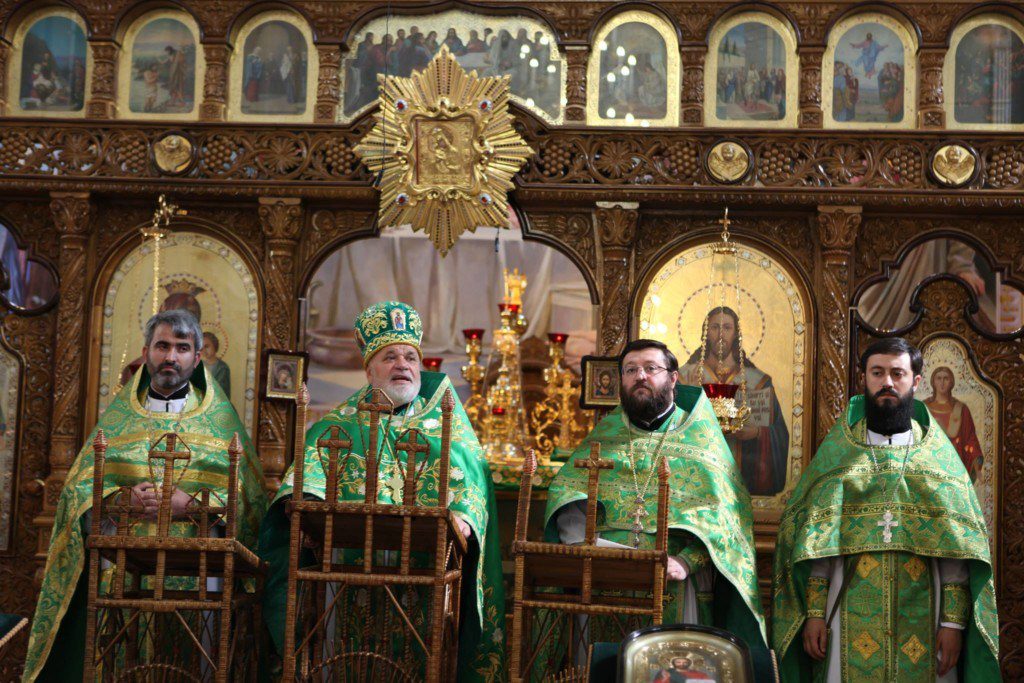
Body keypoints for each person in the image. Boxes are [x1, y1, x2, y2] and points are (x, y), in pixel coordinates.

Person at [259, 301, 505, 681]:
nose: (402, 364)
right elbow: (302, 486)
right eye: (390, 357)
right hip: (349, 577)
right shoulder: (338, 425)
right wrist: (305, 507)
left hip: (426, 577)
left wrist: (465, 518)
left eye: (410, 357)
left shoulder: (448, 425)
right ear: (369, 370)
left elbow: (472, 481)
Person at [23, 309, 266, 682]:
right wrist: (123, 501)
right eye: (162, 345)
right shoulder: (118, 421)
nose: (171, 356)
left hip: (197, 572)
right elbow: (77, 494)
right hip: (123, 570)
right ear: (146, 352)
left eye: (182, 348)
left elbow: (249, 501)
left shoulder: (222, 424)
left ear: (197, 358)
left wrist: (190, 505)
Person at [773, 337, 999, 682]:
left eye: (897, 373)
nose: (887, 382)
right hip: (845, 613)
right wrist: (815, 614)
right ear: (864, 378)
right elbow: (816, 546)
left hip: (926, 616)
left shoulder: (939, 462)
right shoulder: (839, 457)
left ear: (916, 381)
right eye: (877, 373)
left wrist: (952, 624)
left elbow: (957, 552)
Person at [545, 339, 768, 672]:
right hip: (604, 581)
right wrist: (583, 547)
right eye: (630, 370)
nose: (640, 376)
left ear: (673, 378)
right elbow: (568, 496)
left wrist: (687, 561)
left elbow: (727, 517)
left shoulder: (702, 440)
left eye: (651, 368)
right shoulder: (603, 437)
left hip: (673, 582)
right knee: (607, 671)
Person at [678, 307, 790, 496]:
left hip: (746, 477)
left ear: (736, 334)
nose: (721, 334)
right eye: (715, 327)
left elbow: (779, 433)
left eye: (727, 328)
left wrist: (757, 433)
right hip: (697, 479)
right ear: (705, 334)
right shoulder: (685, 377)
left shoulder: (758, 381)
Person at [924, 366, 984, 482]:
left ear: (951, 382)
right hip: (930, 465)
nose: (942, 383)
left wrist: (977, 467)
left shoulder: (961, 409)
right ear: (933, 382)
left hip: (955, 467)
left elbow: (970, 439)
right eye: (938, 378)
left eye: (946, 378)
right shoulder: (924, 408)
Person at [201, 331, 231, 398]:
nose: (204, 351)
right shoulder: (199, 366)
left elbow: (222, 392)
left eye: (207, 346)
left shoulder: (222, 368)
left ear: (215, 345)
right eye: (201, 348)